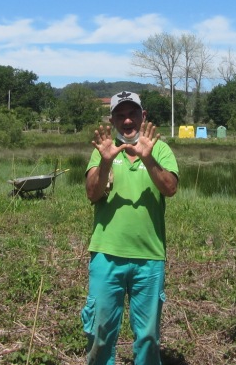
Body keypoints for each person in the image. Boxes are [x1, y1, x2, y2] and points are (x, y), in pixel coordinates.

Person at [82, 91, 180, 365]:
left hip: (149, 257)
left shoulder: (159, 149)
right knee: (100, 333)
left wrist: (148, 158)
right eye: (121, 115)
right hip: (106, 255)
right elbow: (92, 193)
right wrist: (105, 160)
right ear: (112, 119)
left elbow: (170, 189)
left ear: (143, 115)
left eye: (133, 113)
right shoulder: (103, 149)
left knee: (148, 336)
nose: (127, 120)